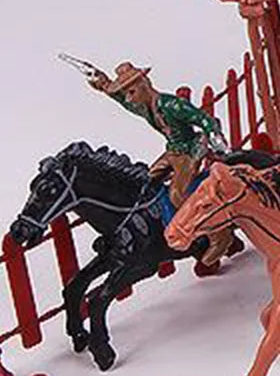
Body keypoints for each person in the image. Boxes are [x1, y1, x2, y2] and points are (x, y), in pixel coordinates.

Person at [89, 60, 234, 265]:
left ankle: (218, 234)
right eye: (127, 93)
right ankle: (165, 224)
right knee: (145, 181)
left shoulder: (171, 105)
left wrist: (215, 136)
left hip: (190, 149)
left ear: (144, 85)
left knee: (177, 193)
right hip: (173, 151)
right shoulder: (144, 107)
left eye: (132, 92)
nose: (130, 98)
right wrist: (104, 84)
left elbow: (202, 118)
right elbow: (123, 102)